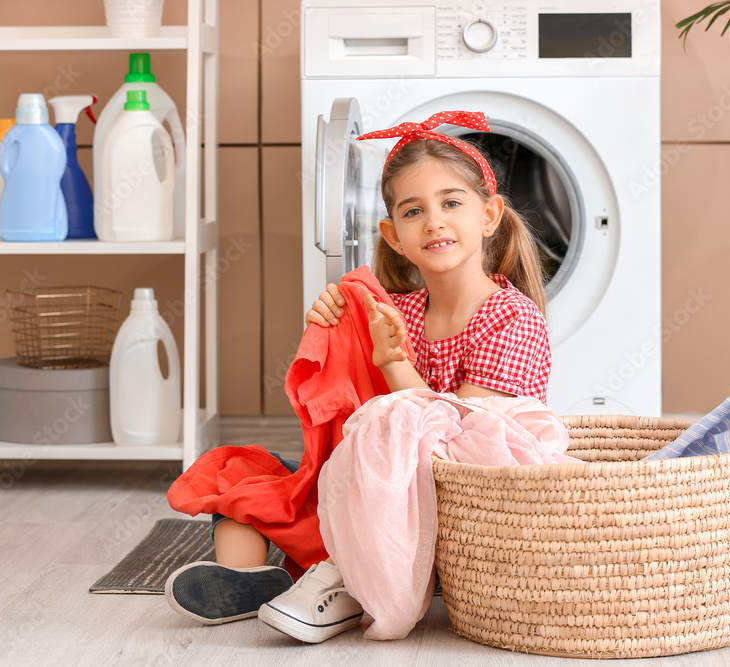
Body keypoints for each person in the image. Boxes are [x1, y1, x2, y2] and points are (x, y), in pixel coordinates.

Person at [165, 110, 552, 643]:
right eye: (414, 211)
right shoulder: (397, 310)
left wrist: (393, 362)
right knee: (243, 474)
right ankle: (249, 580)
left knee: (364, 474)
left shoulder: (512, 318)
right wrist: (333, 324)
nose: (434, 222)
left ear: (489, 216)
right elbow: (347, 403)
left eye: (451, 203)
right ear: (393, 236)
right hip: (375, 483)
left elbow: (459, 445)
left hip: (457, 511)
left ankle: (344, 580)